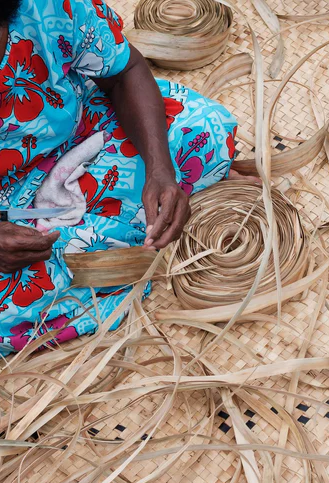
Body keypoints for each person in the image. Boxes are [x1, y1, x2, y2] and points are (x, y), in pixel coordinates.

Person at [0, 0, 249, 355]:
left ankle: (111, 240)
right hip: (10, 202)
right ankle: (110, 243)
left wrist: (160, 170)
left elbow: (124, 71)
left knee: (201, 126)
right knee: (15, 302)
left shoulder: (47, 6)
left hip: (86, 132)